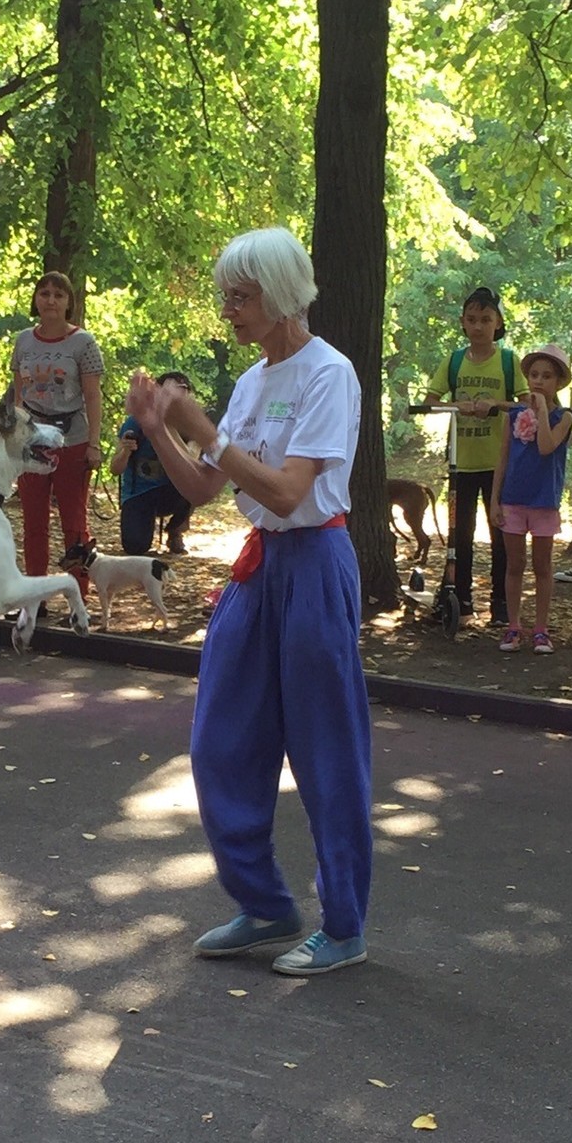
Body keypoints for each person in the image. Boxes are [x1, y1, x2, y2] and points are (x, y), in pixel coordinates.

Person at [125, 226, 371, 976]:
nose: (228, 310)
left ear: (281, 292)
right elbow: (204, 487)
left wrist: (202, 430)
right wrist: (158, 430)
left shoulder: (330, 373)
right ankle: (265, 906)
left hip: (316, 561)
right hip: (259, 569)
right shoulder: (252, 381)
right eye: (225, 296)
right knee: (221, 738)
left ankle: (344, 926)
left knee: (326, 749)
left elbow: (290, 490)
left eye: (240, 295)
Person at [424, 287, 529, 626]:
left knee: (501, 535)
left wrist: (495, 405)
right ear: (463, 324)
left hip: (500, 466)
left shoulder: (509, 361)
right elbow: (430, 401)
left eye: (486, 319)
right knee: (460, 534)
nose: (479, 326)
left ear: (499, 323)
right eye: (472, 320)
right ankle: (461, 600)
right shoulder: (453, 361)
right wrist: (459, 406)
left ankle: (501, 605)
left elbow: (527, 404)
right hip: (461, 464)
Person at [11, 271, 104, 604]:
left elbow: (93, 395)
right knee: (33, 520)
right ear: (36, 299)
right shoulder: (23, 341)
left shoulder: (83, 343)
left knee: (74, 521)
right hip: (33, 440)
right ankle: (33, 596)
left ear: (69, 302)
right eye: (45, 294)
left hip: (72, 438)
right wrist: (16, 439)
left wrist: (94, 443)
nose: (50, 300)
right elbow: (19, 395)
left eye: (58, 295)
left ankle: (77, 595)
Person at [490, 344, 572, 654]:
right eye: (534, 375)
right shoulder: (513, 415)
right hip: (513, 500)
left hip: (544, 502)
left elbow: (545, 447)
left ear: (559, 382)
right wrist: (494, 501)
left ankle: (540, 629)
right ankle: (513, 626)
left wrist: (540, 411)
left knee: (542, 566)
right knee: (515, 564)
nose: (539, 381)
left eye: (547, 376)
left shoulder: (564, 416)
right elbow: (502, 459)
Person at [109, 371, 194, 555]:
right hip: (140, 493)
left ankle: (176, 530)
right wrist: (125, 451)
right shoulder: (136, 422)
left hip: (171, 492)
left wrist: (168, 428)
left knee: (194, 486)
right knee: (135, 547)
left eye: (182, 391)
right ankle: (144, 525)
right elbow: (115, 469)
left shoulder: (190, 425)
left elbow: (194, 464)